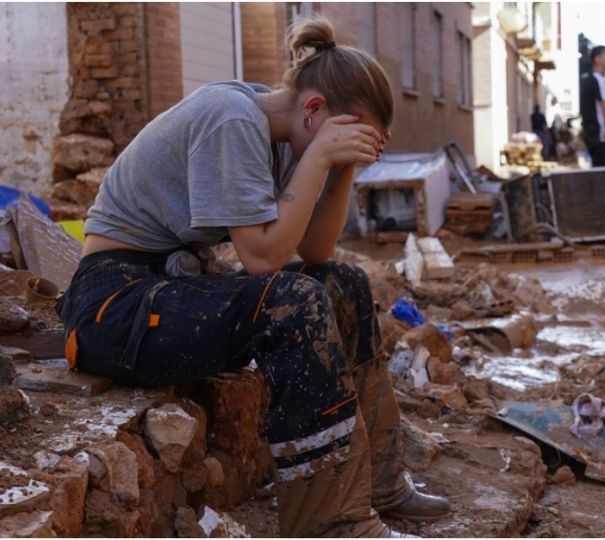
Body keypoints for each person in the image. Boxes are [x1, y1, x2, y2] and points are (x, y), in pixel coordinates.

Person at [55, 15, 450, 538]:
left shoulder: (284, 131)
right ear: (314, 109)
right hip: (114, 305)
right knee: (295, 301)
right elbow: (262, 259)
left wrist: (341, 166)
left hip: (169, 285)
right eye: (348, 133)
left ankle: (381, 485)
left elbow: (314, 248)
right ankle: (331, 524)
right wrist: (321, 159)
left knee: (343, 285)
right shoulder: (233, 119)